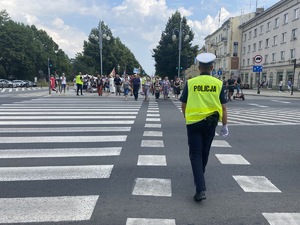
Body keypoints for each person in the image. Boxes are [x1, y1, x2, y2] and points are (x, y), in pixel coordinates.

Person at [180, 53, 228, 202]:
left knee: (195, 154)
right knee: (205, 151)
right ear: (212, 67)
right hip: (211, 123)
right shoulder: (218, 84)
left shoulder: (191, 83)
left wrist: (187, 117)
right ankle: (200, 174)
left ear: (199, 67)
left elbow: (183, 104)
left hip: (193, 122)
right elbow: (223, 107)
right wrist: (225, 125)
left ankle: (200, 189)